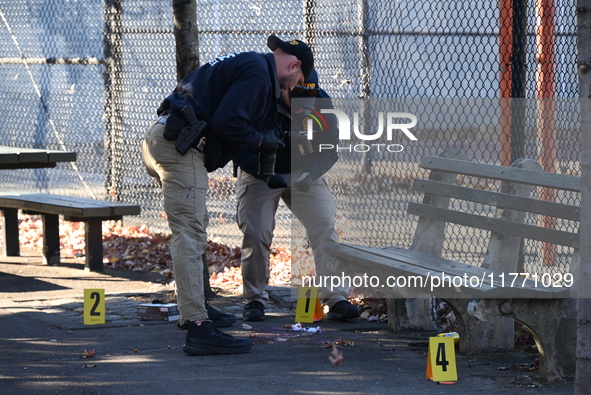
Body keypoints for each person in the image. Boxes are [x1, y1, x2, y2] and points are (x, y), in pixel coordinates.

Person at [141, 35, 314, 355]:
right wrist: (262, 141)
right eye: (298, 82)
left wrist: (266, 166)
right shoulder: (259, 74)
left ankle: (196, 310)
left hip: (169, 139)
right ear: (294, 65)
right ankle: (197, 326)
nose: (294, 88)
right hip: (180, 147)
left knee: (192, 228)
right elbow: (229, 122)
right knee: (190, 233)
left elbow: (229, 121)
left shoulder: (252, 65)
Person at [234, 70, 360, 322]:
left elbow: (330, 149)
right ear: (285, 88)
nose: (307, 105)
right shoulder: (259, 101)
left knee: (325, 225)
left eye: (310, 96)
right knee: (257, 232)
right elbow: (237, 144)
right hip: (260, 170)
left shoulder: (320, 102)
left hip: (303, 171)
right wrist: (266, 174)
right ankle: (255, 300)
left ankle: (336, 298)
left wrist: (311, 174)